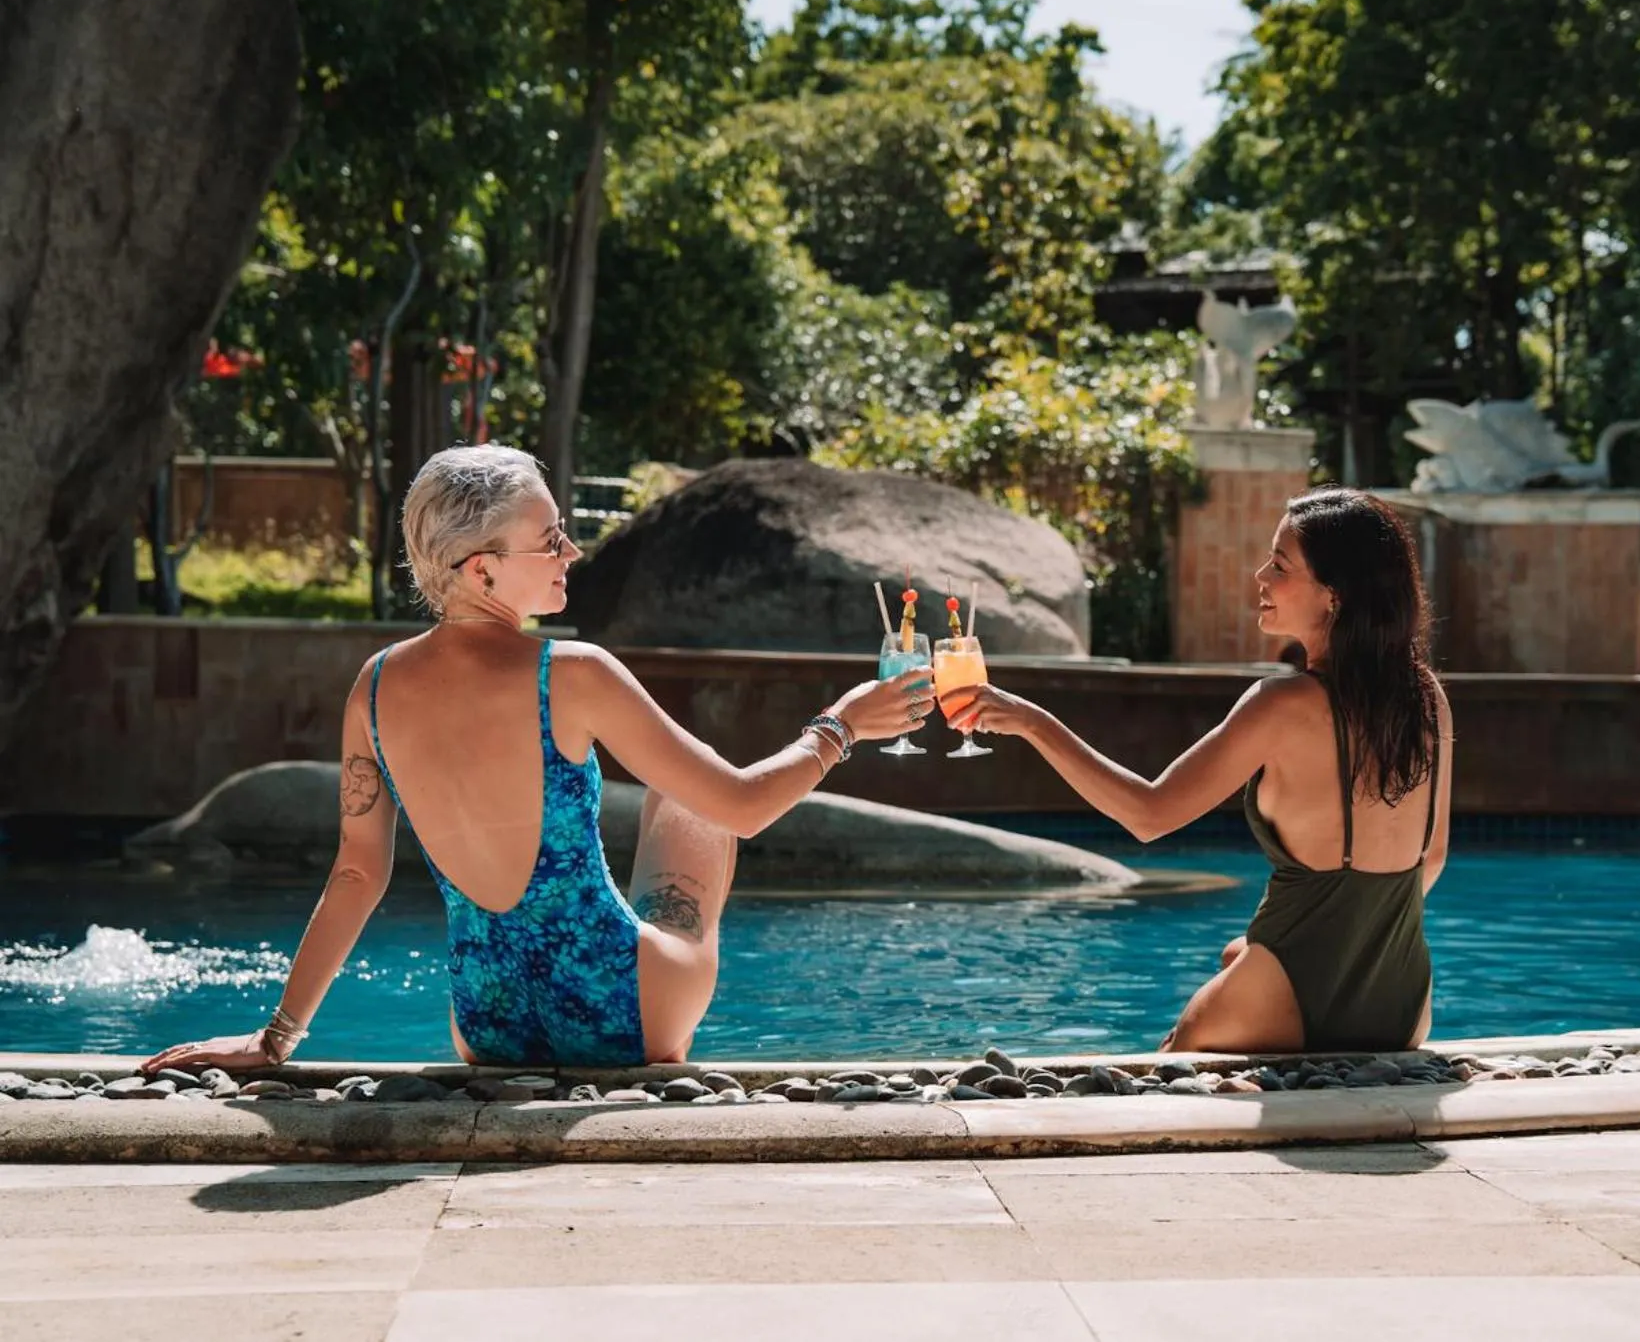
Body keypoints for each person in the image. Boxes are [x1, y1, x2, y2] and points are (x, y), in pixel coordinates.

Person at [144, 445, 931, 1072]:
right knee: (690, 799)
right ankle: (670, 1054)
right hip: (621, 1014)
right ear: (481, 568)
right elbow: (747, 804)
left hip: (489, 1027)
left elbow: (357, 874)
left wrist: (274, 1039)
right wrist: (841, 725)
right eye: (550, 537)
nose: (572, 549)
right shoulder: (573, 673)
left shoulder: (373, 689)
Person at [946, 487, 1452, 1053]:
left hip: (1297, 991)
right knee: (1237, 953)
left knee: (1160, 1083)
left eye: (1280, 565)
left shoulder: (1280, 704)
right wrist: (1347, 941)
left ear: (1334, 595)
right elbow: (1429, 858)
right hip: (1401, 1002)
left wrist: (1033, 722)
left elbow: (1149, 814)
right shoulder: (1426, 697)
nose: (1261, 575)